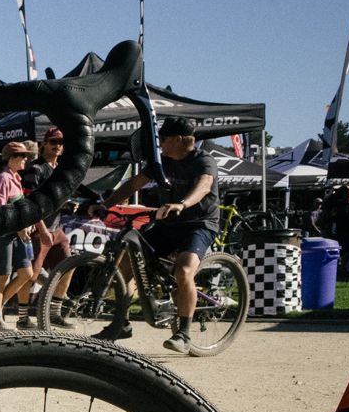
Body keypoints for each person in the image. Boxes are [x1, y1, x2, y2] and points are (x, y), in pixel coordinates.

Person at [98, 115, 218, 352]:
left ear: (180, 139)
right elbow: (133, 184)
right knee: (125, 266)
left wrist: (182, 204)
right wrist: (106, 205)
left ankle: (184, 334)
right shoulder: (160, 161)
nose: (159, 142)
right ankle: (120, 323)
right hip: (167, 222)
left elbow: (204, 186)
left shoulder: (203, 160)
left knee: (184, 271)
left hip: (199, 224)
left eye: (163, 138)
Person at [20, 126, 74, 326]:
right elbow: (28, 200)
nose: (57, 147)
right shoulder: (35, 168)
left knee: (69, 266)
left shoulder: (60, 169)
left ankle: (55, 313)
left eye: (60, 143)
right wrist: (41, 229)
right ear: (43, 144)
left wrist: (69, 204)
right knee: (29, 276)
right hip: (37, 229)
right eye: (53, 142)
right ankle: (23, 318)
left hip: (57, 229)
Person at [0, 141, 38, 325]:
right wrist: (19, 227)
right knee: (2, 276)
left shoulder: (16, 178)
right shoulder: (3, 178)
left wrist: (25, 225)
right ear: (12, 158)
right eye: (23, 156)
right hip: (2, 235)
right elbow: (0, 210)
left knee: (27, 273)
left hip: (18, 235)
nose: (26, 160)